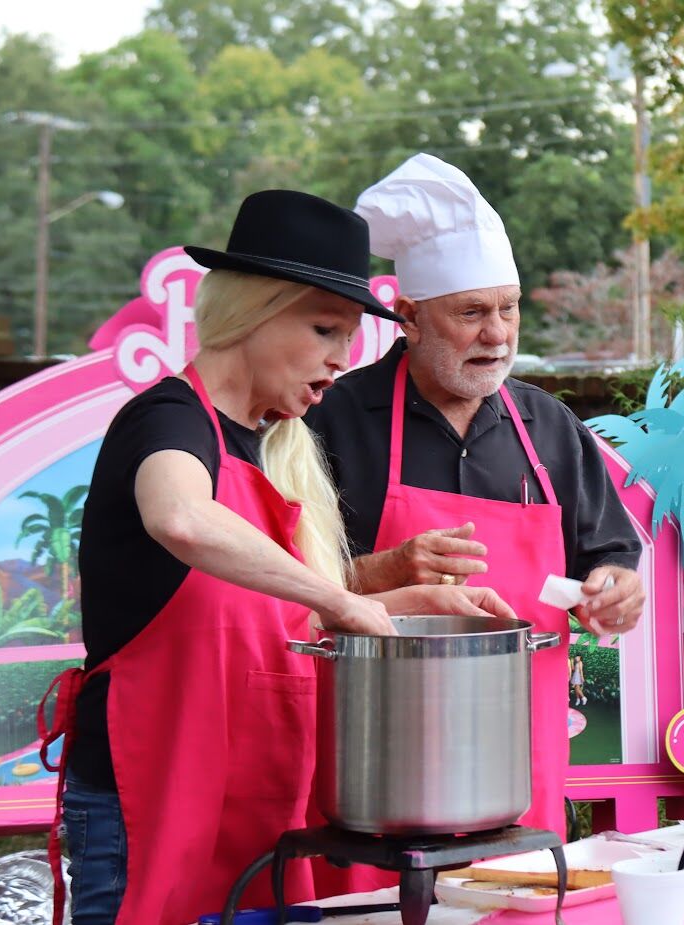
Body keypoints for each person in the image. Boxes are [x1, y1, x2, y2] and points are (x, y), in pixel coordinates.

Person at [44, 190, 516, 925]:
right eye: (325, 328)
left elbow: (265, 620)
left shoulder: (273, 447)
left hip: (260, 800)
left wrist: (410, 604)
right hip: (151, 797)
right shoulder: (167, 419)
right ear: (254, 312)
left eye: (350, 335)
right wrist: (343, 600)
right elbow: (180, 517)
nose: (342, 357)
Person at [306, 153, 645, 840]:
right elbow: (287, 578)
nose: (497, 334)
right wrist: (384, 569)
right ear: (410, 318)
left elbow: (610, 554)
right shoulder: (333, 418)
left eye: (508, 309)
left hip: (523, 751)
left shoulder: (548, 424)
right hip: (380, 750)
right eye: (471, 313)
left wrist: (615, 587)